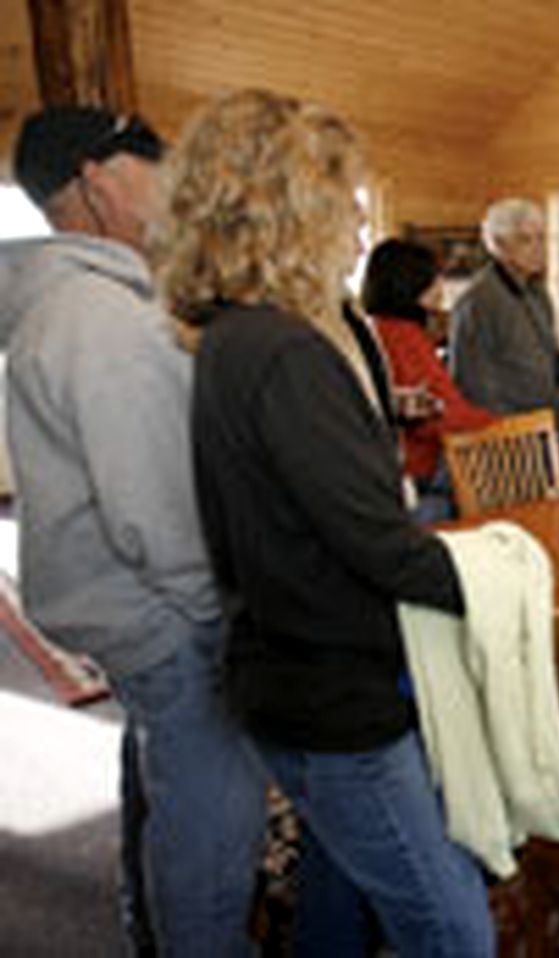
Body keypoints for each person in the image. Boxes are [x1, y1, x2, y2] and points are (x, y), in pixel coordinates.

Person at [162, 89, 493, 955]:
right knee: (456, 931)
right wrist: (511, 576)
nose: (357, 229)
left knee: (341, 889)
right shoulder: (286, 351)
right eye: (343, 205)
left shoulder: (230, 336)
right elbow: (380, 543)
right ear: (286, 211)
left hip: (282, 667)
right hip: (335, 689)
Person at [1, 106, 267, 955]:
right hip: (164, 616)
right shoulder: (99, 317)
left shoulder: (76, 301)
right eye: (153, 165)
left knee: (163, 777)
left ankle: (149, 923)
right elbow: (157, 507)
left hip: (121, 610)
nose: (170, 187)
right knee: (211, 815)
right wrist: (219, 620)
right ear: (96, 178)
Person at [362, 238, 496, 519]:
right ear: (409, 283)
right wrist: (495, 423)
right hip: (422, 473)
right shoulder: (403, 336)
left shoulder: (379, 327)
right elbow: (434, 414)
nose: (441, 286)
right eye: (433, 278)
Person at [448, 198, 559, 419]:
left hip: (544, 421)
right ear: (499, 245)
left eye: (541, 238)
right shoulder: (478, 301)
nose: (538, 249)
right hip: (508, 433)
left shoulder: (538, 291)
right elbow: (472, 382)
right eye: (526, 240)